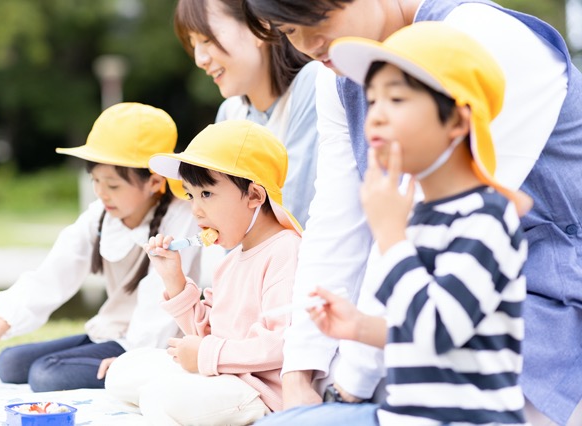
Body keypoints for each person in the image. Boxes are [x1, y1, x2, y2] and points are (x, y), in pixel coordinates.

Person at [243, 1, 582, 423]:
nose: (309, 45)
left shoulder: (481, 41)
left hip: (541, 314)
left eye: (316, 17)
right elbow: (335, 223)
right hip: (416, 319)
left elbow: (418, 233)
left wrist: (347, 389)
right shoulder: (340, 72)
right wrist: (300, 372)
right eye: (288, 31)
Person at [0, 102, 203, 392]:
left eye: (112, 185)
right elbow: (54, 273)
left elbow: (157, 310)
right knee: (10, 362)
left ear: (154, 181)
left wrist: (132, 362)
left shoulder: (181, 218)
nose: (101, 193)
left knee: (45, 375)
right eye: (95, 180)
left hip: (152, 345)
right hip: (110, 334)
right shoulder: (101, 215)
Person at [104, 120, 302, 425]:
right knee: (123, 371)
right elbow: (207, 335)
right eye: (190, 195)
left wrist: (207, 355)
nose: (195, 209)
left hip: (258, 394)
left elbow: (282, 344)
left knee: (161, 396)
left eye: (206, 194)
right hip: (221, 375)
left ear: (254, 196)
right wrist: (174, 279)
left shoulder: (286, 250)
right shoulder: (230, 258)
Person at [173, 0, 320, 228]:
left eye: (206, 39)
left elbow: (294, 212)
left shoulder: (313, 84)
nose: (200, 59)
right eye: (193, 44)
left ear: (258, 25)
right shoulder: (231, 113)